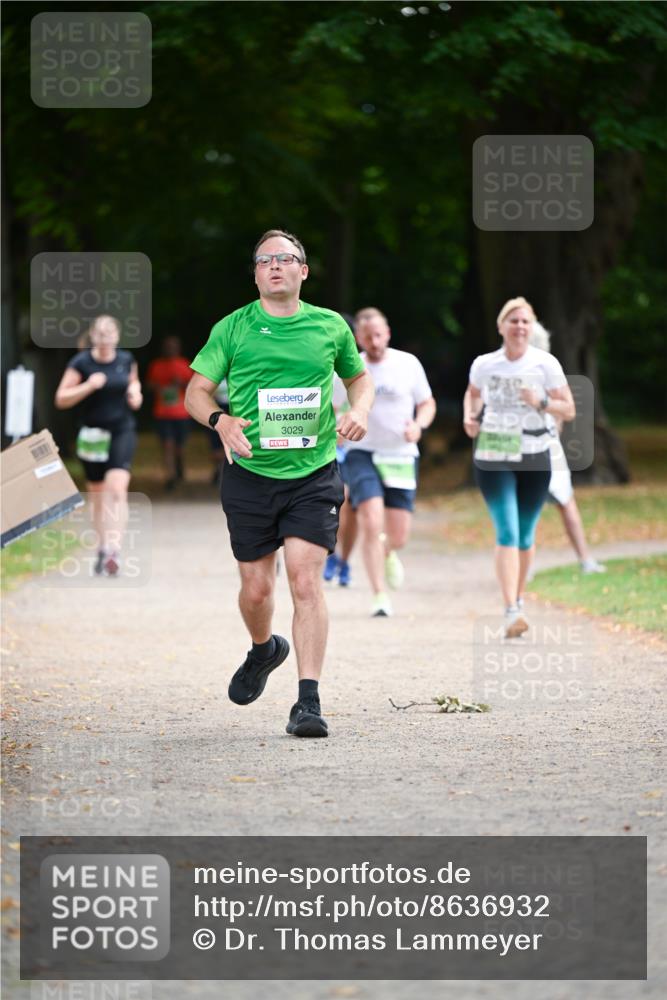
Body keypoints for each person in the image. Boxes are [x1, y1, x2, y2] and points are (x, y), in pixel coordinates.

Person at [184, 229, 374, 738]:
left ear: (302, 271)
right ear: (256, 273)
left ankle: (307, 703)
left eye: (284, 259)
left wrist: (358, 409)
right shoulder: (233, 328)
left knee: (306, 582)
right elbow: (195, 392)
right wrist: (219, 421)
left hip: (313, 473)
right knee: (256, 588)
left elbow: (360, 378)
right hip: (250, 476)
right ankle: (263, 648)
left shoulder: (330, 326)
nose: (274, 267)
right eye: (264, 260)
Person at [463, 297, 575, 638]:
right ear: (501, 327)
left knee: (526, 536)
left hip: (535, 453)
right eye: (513, 321)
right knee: (508, 531)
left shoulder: (546, 364)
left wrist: (540, 401)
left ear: (533, 327)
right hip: (495, 452)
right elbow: (473, 393)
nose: (520, 327)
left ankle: (519, 599)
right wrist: (469, 416)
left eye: (525, 321)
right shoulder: (485, 364)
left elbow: (568, 409)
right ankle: (511, 609)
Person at [338, 307, 436, 617]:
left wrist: (418, 425)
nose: (375, 342)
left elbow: (427, 403)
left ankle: (389, 552)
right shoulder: (349, 369)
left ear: (388, 334)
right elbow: (331, 407)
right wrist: (339, 427)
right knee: (370, 519)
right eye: (368, 338)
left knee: (398, 535)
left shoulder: (407, 364)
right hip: (361, 451)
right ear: (358, 339)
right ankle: (379, 594)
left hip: (401, 454)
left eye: (379, 336)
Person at [54, 314, 142, 576]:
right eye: (100, 334)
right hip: (92, 433)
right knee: (98, 493)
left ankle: (114, 548)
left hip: (121, 430)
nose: (105, 338)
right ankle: (102, 546)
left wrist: (136, 393)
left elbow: (134, 382)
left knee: (117, 489)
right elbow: (61, 398)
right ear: (93, 336)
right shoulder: (81, 363)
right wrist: (88, 386)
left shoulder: (126, 360)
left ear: (117, 336)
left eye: (109, 333)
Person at [529, 321, 606, 574]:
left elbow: (562, 409)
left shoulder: (529, 373)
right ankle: (584, 560)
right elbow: (563, 410)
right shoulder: (547, 371)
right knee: (562, 504)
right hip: (544, 447)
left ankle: (526, 567)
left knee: (532, 509)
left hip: (536, 449)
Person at [146, 336, 192, 489]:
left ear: (178, 348)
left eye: (173, 346)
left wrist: (182, 383)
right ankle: (170, 476)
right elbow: (149, 384)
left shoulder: (184, 364)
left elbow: (196, 388)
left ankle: (179, 467)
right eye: (167, 346)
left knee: (179, 447)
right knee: (167, 445)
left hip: (182, 413)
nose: (169, 349)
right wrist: (157, 387)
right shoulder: (156, 365)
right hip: (162, 413)